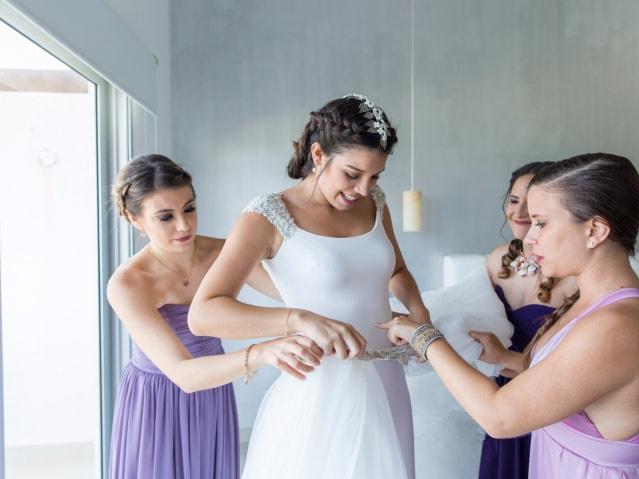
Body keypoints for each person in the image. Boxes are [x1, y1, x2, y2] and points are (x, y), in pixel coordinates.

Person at [381, 153, 639, 478]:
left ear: (594, 230)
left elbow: (499, 418)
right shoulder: (589, 303)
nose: (530, 237)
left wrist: (424, 336)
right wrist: (509, 358)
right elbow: (565, 373)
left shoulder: (619, 324)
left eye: (542, 222)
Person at [189, 94, 427, 479]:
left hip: (388, 380)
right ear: (318, 155)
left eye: (375, 176)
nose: (364, 189)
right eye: (352, 174)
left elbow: (397, 270)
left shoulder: (375, 203)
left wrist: (421, 320)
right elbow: (204, 313)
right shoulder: (266, 215)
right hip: (321, 388)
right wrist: (298, 319)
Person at [107, 154, 322, 479]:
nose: (184, 225)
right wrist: (263, 351)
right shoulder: (128, 283)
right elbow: (183, 374)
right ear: (135, 219)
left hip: (213, 390)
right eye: (165, 217)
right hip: (157, 401)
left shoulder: (222, 252)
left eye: (189, 208)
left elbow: (297, 296)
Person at [474, 161, 575, 479]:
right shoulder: (496, 261)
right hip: (501, 396)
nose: (519, 212)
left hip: (548, 404)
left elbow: (561, 371)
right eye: (514, 200)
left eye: (532, 205)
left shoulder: (574, 278)